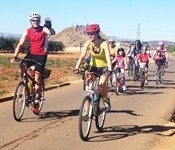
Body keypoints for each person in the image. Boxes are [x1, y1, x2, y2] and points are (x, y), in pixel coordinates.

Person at [11, 12, 56, 112]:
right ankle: (26, 83)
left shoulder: (43, 29)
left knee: (37, 77)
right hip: (32, 53)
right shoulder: (27, 31)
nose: (35, 22)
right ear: (30, 21)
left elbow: (52, 33)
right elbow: (20, 44)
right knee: (21, 69)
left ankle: (36, 101)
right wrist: (15, 56)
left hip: (41, 55)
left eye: (37, 20)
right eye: (33, 20)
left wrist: (49, 26)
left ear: (39, 21)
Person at [74, 24, 112, 111]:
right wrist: (76, 67)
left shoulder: (104, 44)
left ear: (97, 34)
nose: (90, 36)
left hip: (104, 67)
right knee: (87, 89)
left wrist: (109, 69)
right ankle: (86, 111)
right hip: (93, 66)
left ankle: (106, 99)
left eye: (92, 34)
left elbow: (108, 57)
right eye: (89, 34)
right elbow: (82, 56)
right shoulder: (88, 43)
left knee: (102, 84)